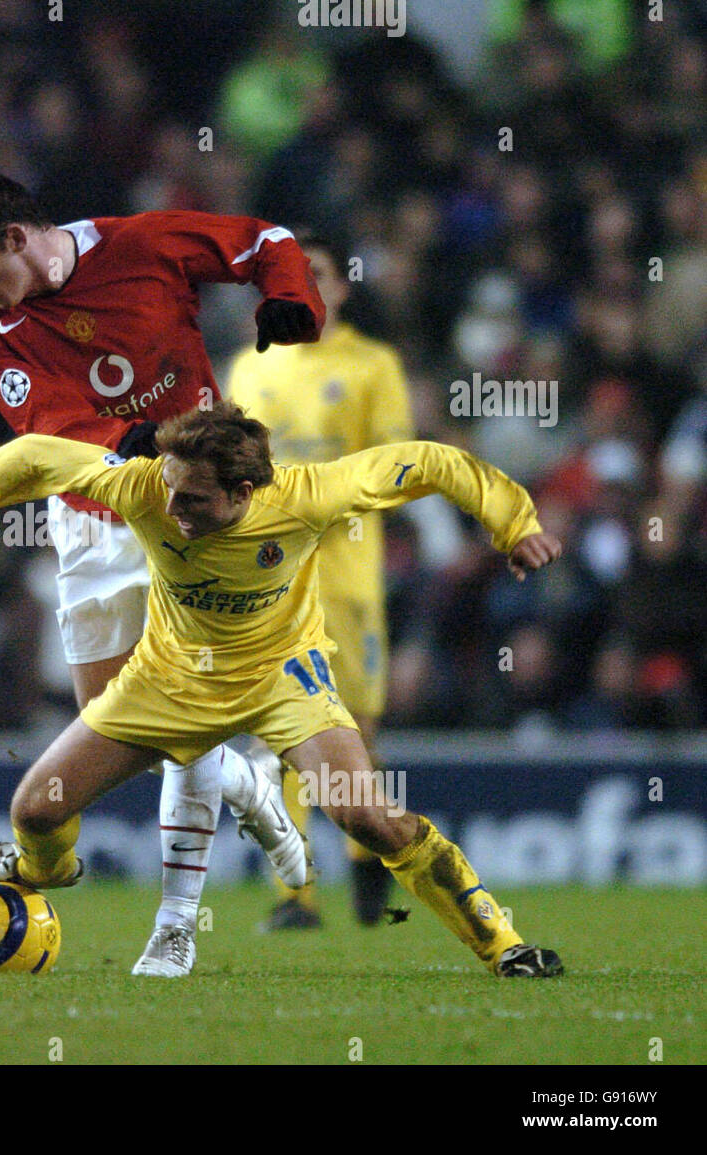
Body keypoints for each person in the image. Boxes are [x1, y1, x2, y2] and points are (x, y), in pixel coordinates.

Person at [0, 402, 565, 978]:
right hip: (167, 681)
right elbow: (35, 457)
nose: (173, 509)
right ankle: (43, 870)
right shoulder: (142, 486)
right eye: (171, 490)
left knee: (369, 817)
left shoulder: (307, 495)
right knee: (35, 811)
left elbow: (429, 462)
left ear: (244, 493)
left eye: (194, 500)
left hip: (283, 680)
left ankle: (504, 945)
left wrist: (515, 521)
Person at [0, 172, 324, 977]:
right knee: (118, 722)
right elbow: (48, 426)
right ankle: (246, 781)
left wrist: (290, 297)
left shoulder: (138, 245)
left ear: (17, 238)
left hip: (194, 511)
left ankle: (174, 927)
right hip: (91, 520)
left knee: (178, 709)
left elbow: (267, 240)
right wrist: (128, 436)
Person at [226, 231, 412, 930]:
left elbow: (398, 468)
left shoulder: (372, 365)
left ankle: (369, 859)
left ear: (342, 287)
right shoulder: (249, 369)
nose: (304, 286)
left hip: (349, 578)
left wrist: (320, 495)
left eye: (320, 275)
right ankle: (294, 893)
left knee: (354, 733)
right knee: (280, 732)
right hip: (273, 579)